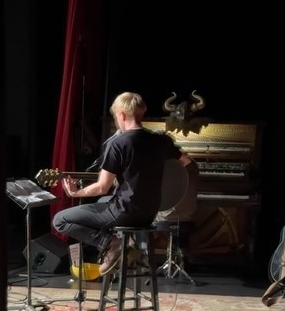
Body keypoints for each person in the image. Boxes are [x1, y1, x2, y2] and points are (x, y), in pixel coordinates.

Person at [52, 91, 193, 275]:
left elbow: (102, 187)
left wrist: (75, 193)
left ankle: (111, 243)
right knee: (103, 202)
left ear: (122, 115)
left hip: (125, 212)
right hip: (149, 213)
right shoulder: (159, 140)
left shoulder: (118, 143)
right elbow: (186, 162)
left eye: (115, 116)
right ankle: (126, 246)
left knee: (60, 220)